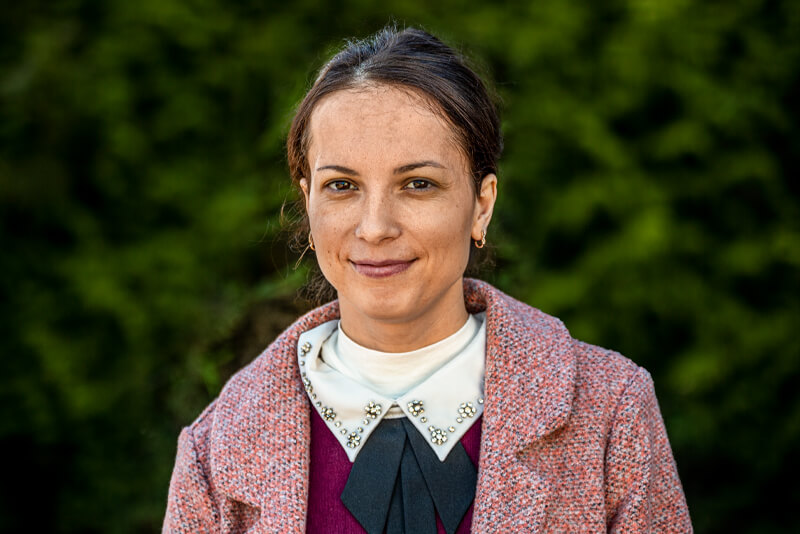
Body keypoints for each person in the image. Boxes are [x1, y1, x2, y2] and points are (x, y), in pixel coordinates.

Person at [163, 26, 692, 533]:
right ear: (308, 202)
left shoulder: (610, 410)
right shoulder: (214, 450)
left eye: (418, 184)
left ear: (481, 205)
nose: (375, 227)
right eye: (342, 185)